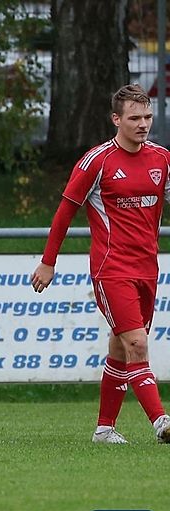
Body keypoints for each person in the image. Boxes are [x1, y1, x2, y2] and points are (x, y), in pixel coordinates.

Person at [31, 84, 170, 445]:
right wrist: (48, 262)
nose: (143, 124)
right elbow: (64, 212)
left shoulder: (161, 159)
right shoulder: (98, 160)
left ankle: (104, 429)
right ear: (116, 119)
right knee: (137, 344)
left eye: (147, 117)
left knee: (121, 347)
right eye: (134, 118)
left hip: (147, 269)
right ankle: (161, 422)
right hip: (111, 269)